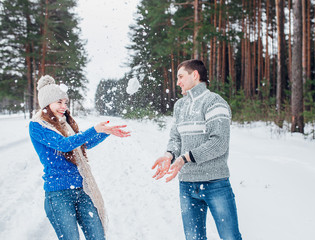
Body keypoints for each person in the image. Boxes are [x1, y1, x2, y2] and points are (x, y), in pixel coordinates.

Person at [29, 75, 130, 240]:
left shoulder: (64, 124)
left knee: (97, 237)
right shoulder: (38, 126)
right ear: (47, 103)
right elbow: (64, 145)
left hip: (82, 189)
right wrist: (94, 129)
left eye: (65, 102)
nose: (64, 106)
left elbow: (82, 144)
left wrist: (105, 132)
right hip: (58, 194)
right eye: (59, 102)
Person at [152, 59, 242, 240]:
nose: (177, 82)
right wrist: (169, 155)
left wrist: (184, 158)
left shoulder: (214, 102)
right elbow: (176, 138)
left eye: (181, 77)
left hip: (215, 183)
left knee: (230, 237)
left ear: (195, 75)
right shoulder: (180, 106)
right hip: (187, 185)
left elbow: (219, 143)